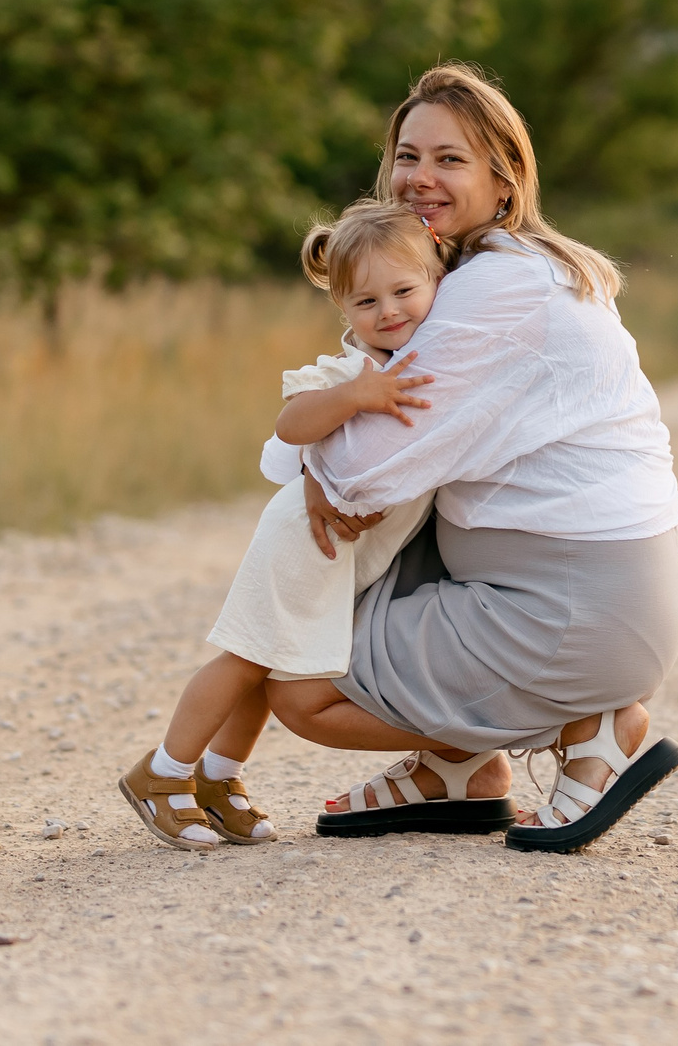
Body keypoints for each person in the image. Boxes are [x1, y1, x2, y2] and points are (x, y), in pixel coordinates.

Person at [275, 62, 678, 851]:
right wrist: (316, 448)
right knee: (354, 599)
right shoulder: (490, 270)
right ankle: (457, 768)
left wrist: (306, 452)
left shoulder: (498, 288)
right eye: (408, 155)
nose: (418, 178)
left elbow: (366, 471)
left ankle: (590, 718)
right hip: (578, 590)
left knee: (296, 681)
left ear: (504, 181)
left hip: (570, 606)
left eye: (449, 159)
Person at [115, 201, 441, 850]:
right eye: (367, 301)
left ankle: (217, 778)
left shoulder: (440, 357)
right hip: (302, 537)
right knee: (247, 656)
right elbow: (291, 427)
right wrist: (356, 397)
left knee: (273, 667)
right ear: (344, 309)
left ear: (436, 280)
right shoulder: (350, 370)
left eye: (404, 290)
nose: (390, 311)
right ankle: (162, 771)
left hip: (340, 554)